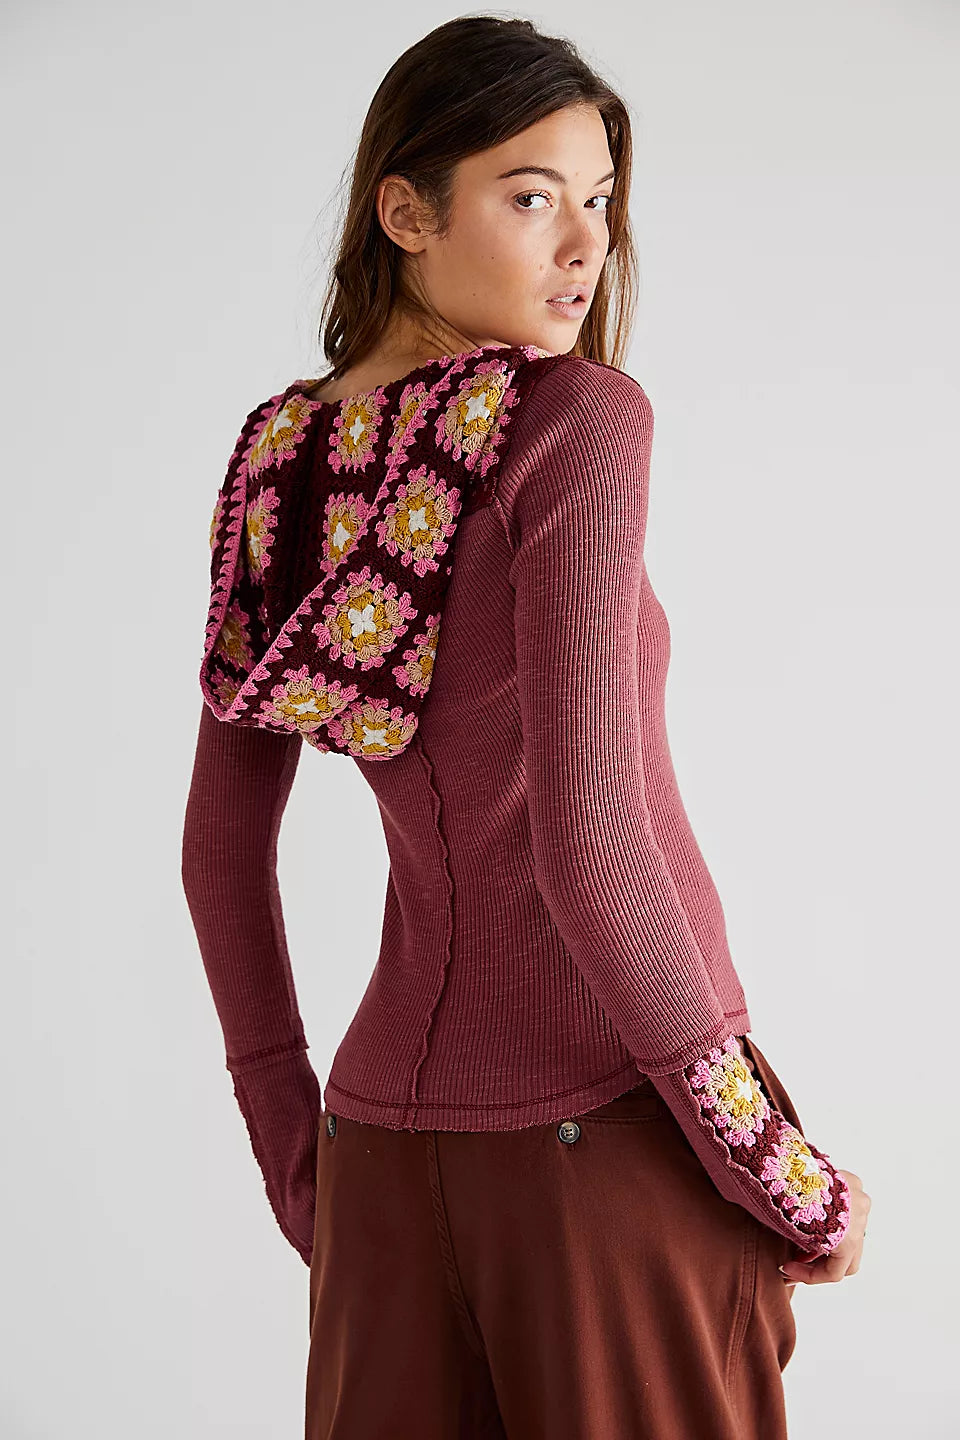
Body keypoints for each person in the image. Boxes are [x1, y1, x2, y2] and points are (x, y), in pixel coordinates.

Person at [181, 15, 870, 1439]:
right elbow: (592, 835)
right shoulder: (573, 421)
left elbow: (218, 853)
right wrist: (782, 1172)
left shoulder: (284, 456)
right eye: (531, 194)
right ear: (406, 211)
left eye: (601, 201)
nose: (584, 246)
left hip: (382, 1149)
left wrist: (302, 1153)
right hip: (612, 1140)